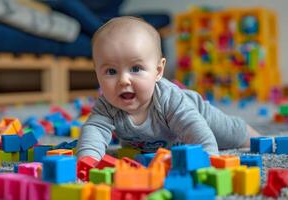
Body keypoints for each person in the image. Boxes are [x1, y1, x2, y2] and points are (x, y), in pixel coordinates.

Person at [76, 16, 259, 167]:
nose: (124, 80)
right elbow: (94, 131)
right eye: (111, 71)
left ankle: (256, 136)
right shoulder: (106, 106)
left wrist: (208, 161)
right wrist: (87, 160)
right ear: (97, 74)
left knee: (230, 134)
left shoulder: (168, 99)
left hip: (199, 115)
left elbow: (195, 129)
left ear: (158, 71)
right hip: (159, 146)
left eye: (136, 68)